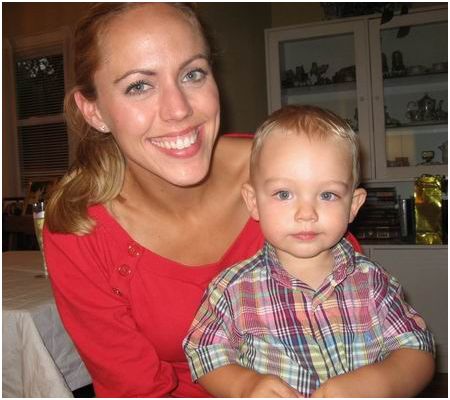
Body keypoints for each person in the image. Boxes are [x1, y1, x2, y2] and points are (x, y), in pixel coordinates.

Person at [43, 4, 360, 398]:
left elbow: (361, 329)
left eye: (192, 74)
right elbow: (137, 390)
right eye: (139, 86)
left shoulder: (289, 173)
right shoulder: (78, 230)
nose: (179, 110)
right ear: (94, 111)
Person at [183, 105, 435, 398]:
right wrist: (244, 385)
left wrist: (379, 383)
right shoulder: (231, 289)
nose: (306, 213)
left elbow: (417, 348)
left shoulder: (374, 283)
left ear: (353, 206)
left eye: (327, 195)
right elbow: (204, 352)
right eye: (284, 194)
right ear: (253, 202)